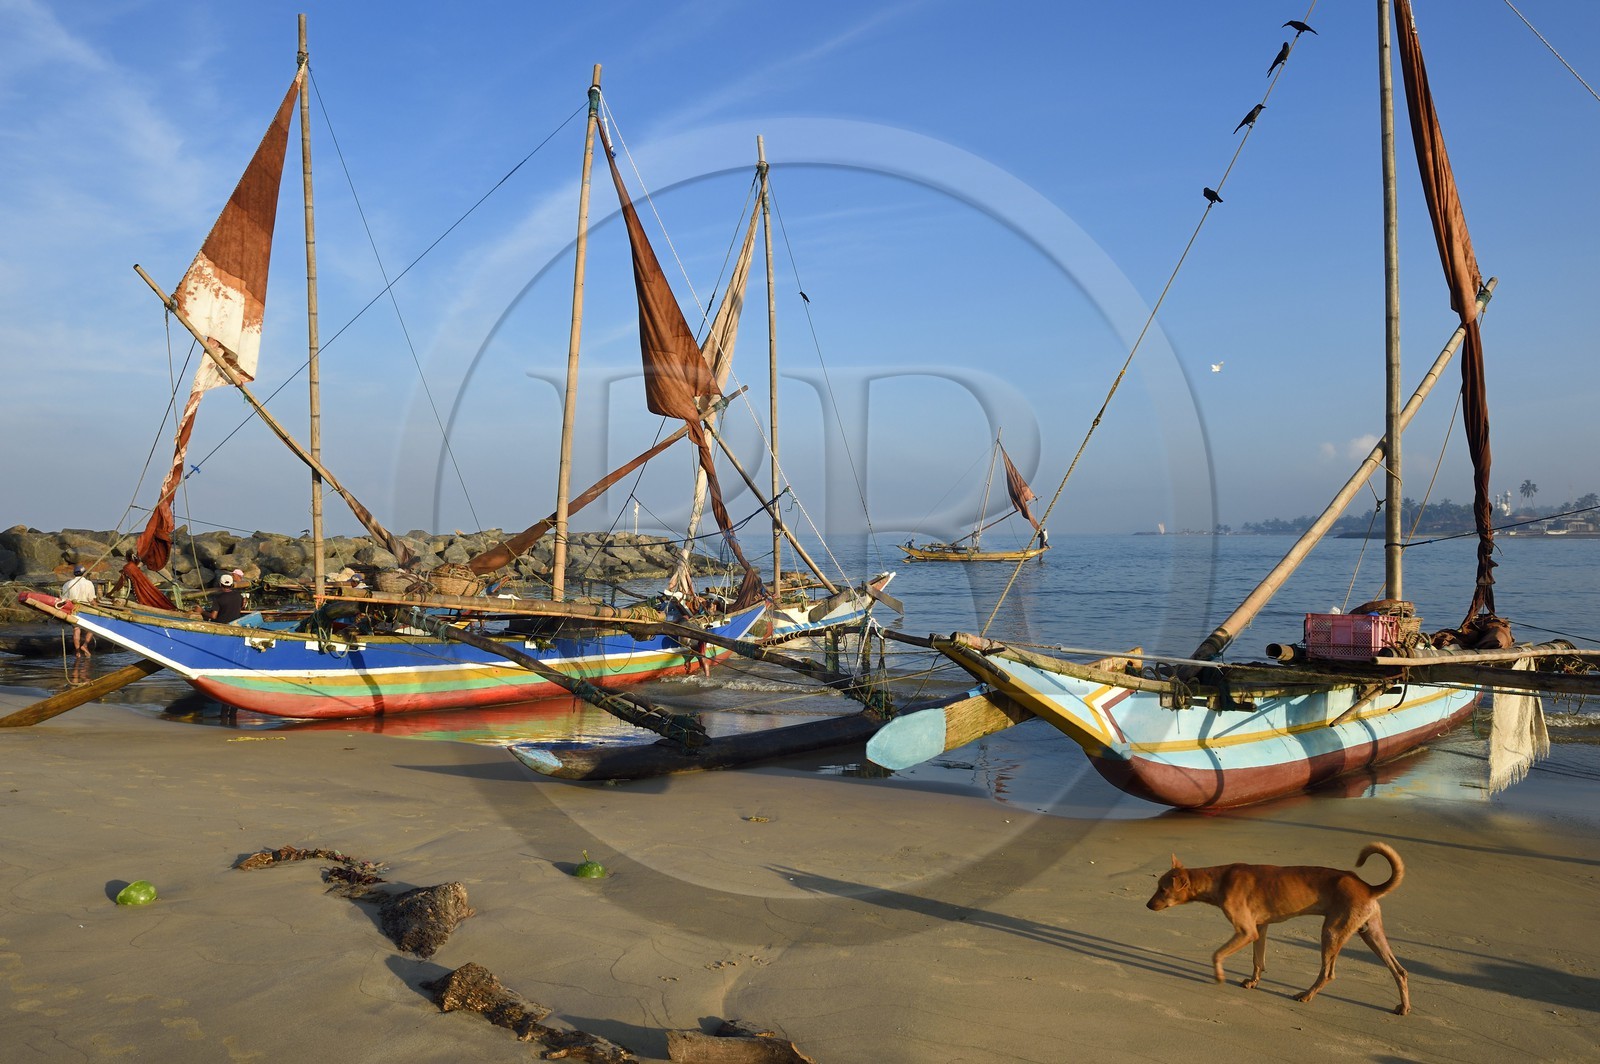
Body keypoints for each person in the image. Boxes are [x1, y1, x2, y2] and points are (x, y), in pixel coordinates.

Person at [59, 564, 96, 655]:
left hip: (73, 609)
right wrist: (96, 607)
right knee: (92, 629)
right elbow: (91, 599)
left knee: (76, 629)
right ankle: (85, 645)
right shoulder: (89, 583)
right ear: (84, 573)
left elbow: (64, 599)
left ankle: (78, 652)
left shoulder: (67, 584)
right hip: (85, 609)